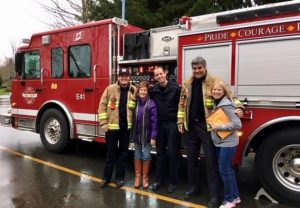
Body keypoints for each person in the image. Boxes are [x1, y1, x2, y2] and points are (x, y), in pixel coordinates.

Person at [177, 56, 244, 208]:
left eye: (200, 68)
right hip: (190, 128)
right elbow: (182, 104)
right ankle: (195, 188)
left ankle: (215, 195)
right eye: (194, 68)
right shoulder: (187, 84)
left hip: (207, 128)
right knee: (192, 160)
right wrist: (180, 121)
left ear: (205, 67)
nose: (197, 71)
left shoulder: (214, 82)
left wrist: (240, 108)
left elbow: (232, 97)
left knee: (211, 162)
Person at [98, 68, 137, 189]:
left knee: (124, 154)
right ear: (118, 77)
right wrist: (104, 123)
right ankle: (106, 178)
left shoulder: (134, 90)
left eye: (126, 76)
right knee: (110, 154)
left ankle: (120, 178)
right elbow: (102, 106)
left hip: (126, 128)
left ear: (130, 77)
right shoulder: (110, 89)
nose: (124, 78)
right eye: (122, 76)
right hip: (112, 128)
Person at [210, 81, 242, 208]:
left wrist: (219, 127)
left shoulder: (226, 105)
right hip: (222, 142)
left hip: (227, 143)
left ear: (224, 92)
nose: (216, 92)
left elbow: (237, 124)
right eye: (214, 89)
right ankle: (235, 196)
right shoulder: (218, 102)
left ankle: (229, 201)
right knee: (228, 170)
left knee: (224, 170)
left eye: (219, 90)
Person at [150, 66, 181, 193]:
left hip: (172, 124)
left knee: (173, 154)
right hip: (160, 125)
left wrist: (180, 123)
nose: (159, 77)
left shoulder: (176, 89)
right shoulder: (154, 90)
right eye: (157, 75)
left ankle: (173, 183)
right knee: (160, 154)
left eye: (161, 74)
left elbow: (182, 106)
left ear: (165, 73)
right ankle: (159, 181)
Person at [130, 81, 158, 189]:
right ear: (138, 91)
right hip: (136, 135)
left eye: (145, 90)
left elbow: (155, 122)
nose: (143, 92)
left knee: (146, 155)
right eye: (141, 90)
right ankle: (137, 177)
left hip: (147, 136)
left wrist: (153, 137)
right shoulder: (134, 102)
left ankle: (145, 177)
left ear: (148, 92)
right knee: (137, 155)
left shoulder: (152, 104)